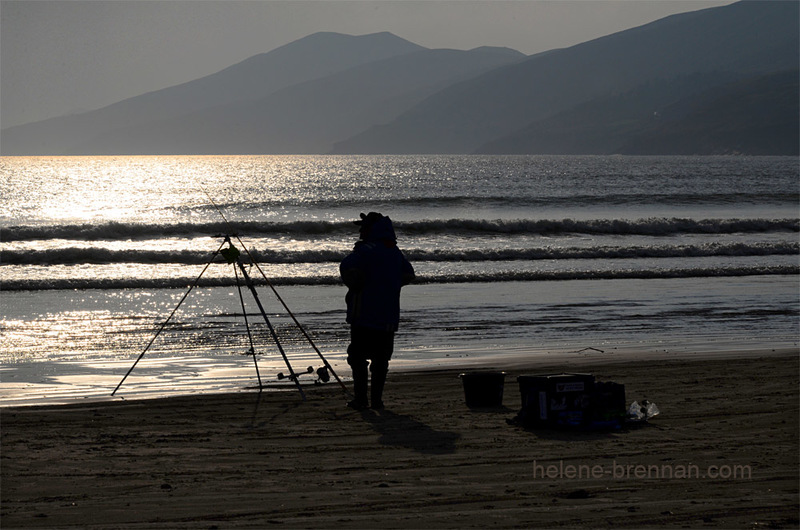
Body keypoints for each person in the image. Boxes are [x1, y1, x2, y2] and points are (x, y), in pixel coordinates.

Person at [340, 212, 415, 410]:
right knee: (381, 359)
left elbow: (345, 266)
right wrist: (389, 285)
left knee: (357, 357)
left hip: (364, 313)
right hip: (388, 315)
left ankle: (361, 400)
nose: (360, 231)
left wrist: (358, 283)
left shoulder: (365, 250)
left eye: (363, 227)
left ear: (372, 229)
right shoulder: (394, 251)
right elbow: (408, 274)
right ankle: (377, 401)